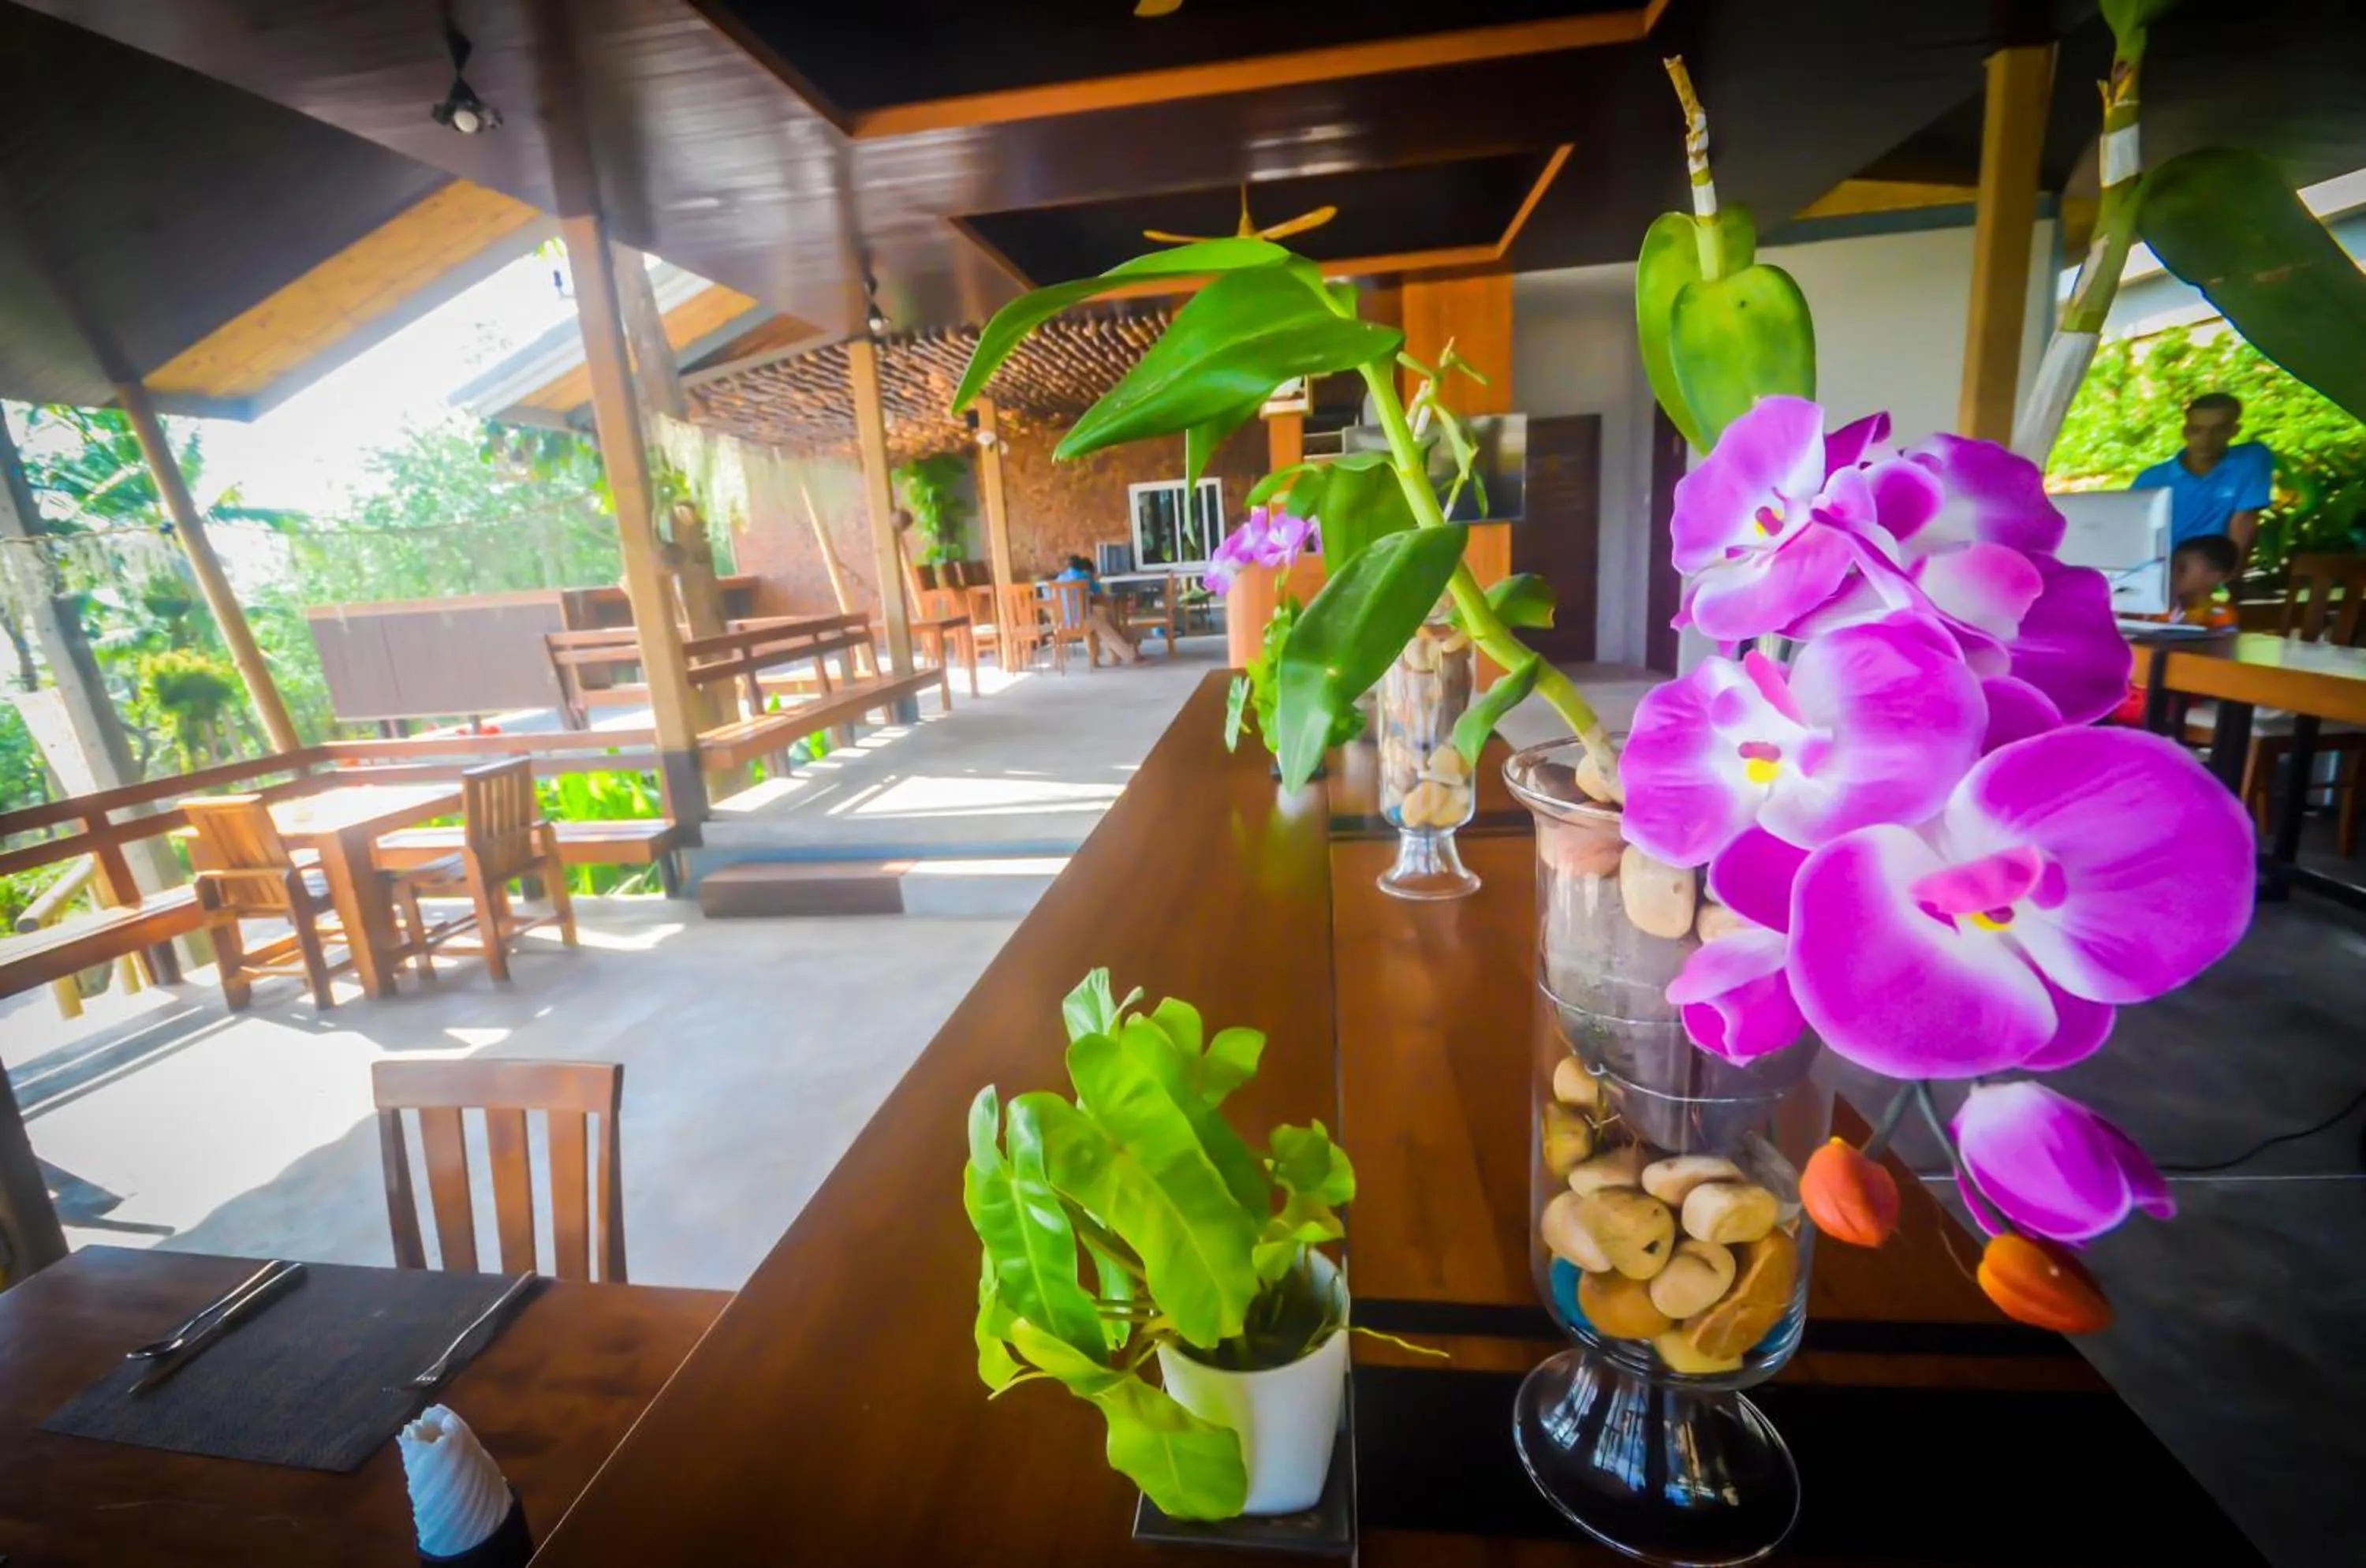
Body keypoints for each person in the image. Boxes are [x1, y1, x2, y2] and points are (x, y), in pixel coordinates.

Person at [2131, 392, 2274, 556]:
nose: (2206, 439)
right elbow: (2131, 531)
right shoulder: (2151, 479)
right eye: (2196, 430)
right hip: (2159, 568)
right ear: (2185, 432)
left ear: (2234, 431)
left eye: (2219, 430)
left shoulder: (2250, 461)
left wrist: (2229, 575)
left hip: (2215, 569)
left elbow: (2244, 521)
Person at [1047, 554, 1143, 665]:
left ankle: (1096, 660)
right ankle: (1131, 656)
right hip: (1082, 621)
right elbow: (1098, 592)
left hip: (1061, 623)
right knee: (1104, 627)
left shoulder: (1058, 579)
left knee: (1095, 618)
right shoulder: (1084, 576)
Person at [2166, 535, 2241, 628]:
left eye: (2181, 569)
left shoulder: (2220, 616)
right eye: (2170, 567)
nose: (2171, 573)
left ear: (2213, 577)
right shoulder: (2161, 610)